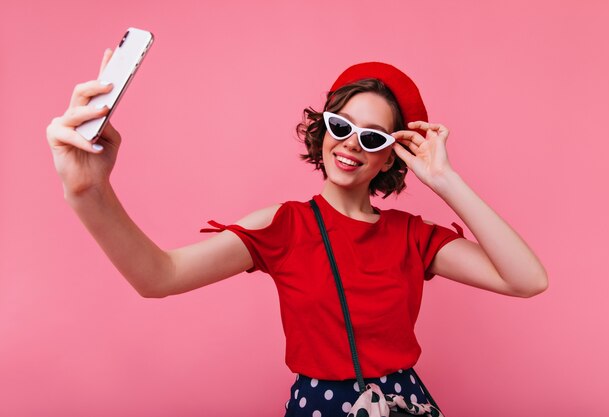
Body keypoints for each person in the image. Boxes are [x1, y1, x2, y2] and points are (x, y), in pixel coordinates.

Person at [46, 49, 548, 416]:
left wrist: (446, 181)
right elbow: (159, 275)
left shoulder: (413, 237)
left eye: (372, 137)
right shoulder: (284, 226)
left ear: (391, 155)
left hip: (405, 404)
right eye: (340, 124)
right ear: (323, 126)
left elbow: (527, 279)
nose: (350, 144)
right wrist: (88, 192)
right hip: (320, 407)